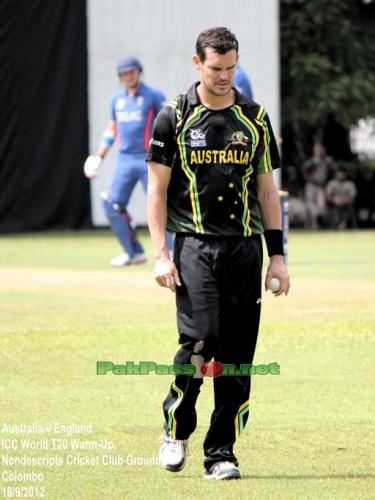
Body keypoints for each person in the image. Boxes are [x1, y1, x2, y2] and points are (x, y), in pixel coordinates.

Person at [147, 27, 290, 480]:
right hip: (194, 246)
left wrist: (278, 257)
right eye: (215, 68)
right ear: (197, 64)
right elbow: (156, 191)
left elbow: (268, 192)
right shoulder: (173, 117)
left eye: (230, 68)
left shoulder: (255, 118)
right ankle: (176, 429)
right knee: (199, 341)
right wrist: (160, 254)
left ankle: (221, 453)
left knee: (237, 355)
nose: (224, 76)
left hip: (245, 251)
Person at [83, 56, 172, 266]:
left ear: (139, 72)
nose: (128, 76)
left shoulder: (153, 96)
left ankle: (171, 253)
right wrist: (98, 157)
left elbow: (168, 126)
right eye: (124, 73)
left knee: (158, 204)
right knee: (112, 205)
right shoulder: (117, 99)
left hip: (149, 159)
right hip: (124, 159)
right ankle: (134, 253)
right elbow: (112, 129)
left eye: (131, 72)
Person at [302, 142, 335, 229]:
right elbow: (304, 167)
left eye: (323, 150)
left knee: (321, 206)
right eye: (320, 150)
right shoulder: (314, 160)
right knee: (310, 205)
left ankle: (318, 224)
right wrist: (308, 178)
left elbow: (332, 171)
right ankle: (313, 224)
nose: (321, 152)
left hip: (321, 186)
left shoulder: (328, 160)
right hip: (311, 185)